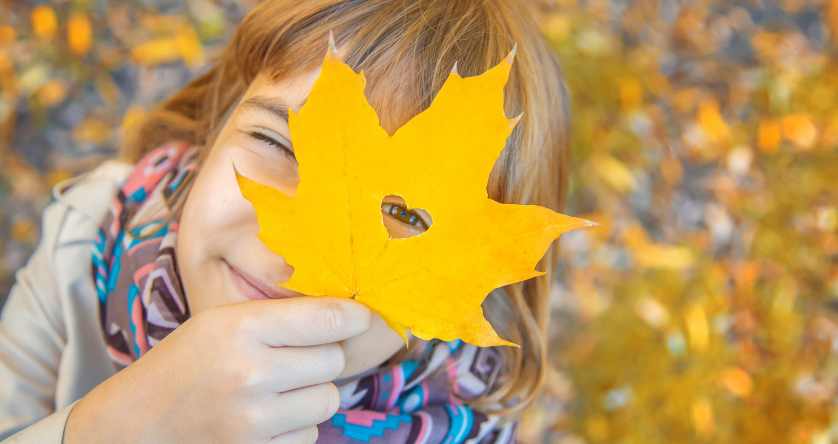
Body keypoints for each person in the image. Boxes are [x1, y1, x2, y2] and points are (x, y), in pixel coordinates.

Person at [0, 0, 571, 442]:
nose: (293, 256)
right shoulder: (86, 235)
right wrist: (111, 430)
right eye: (278, 142)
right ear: (217, 123)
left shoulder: (467, 422)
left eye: (401, 213)